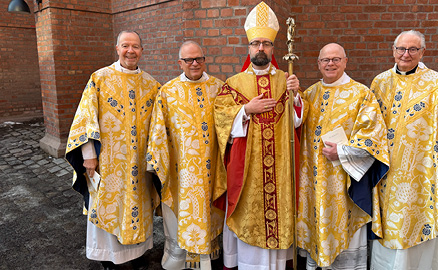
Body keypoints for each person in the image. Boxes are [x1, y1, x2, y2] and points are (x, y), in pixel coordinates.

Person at [213, 2, 304, 269]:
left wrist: (296, 97)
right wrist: (245, 110)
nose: (261, 48)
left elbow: (298, 122)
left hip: (280, 167)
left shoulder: (286, 80)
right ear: (249, 48)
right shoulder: (233, 83)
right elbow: (220, 120)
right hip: (248, 168)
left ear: (273, 49)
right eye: (256, 43)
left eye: (266, 43)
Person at [370, 30, 438, 270]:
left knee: (419, 218)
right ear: (393, 50)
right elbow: (368, 124)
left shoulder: (437, 82)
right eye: (401, 49)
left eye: (413, 49)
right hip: (387, 170)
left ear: (423, 52)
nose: (406, 54)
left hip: (422, 171)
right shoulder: (379, 82)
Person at [65, 30, 161, 270]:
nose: (131, 51)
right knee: (109, 204)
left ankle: (138, 253)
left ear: (142, 50)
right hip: (109, 161)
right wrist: (89, 156)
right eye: (125, 46)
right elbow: (87, 119)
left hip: (140, 163)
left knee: (138, 205)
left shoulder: (152, 84)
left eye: (136, 46)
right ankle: (109, 257)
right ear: (116, 48)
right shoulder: (99, 79)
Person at [296, 43, 389, 270]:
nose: (331, 64)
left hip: (343, 181)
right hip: (314, 184)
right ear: (318, 64)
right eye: (326, 60)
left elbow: (374, 137)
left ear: (346, 61)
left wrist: (342, 152)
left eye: (336, 59)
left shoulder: (361, 94)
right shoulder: (310, 94)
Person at [146, 40, 225, 270]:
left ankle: (208, 257)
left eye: (199, 58)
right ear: (180, 63)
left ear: (204, 59)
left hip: (213, 170)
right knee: (180, 215)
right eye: (189, 60)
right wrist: (156, 165)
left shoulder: (219, 88)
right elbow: (158, 131)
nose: (194, 63)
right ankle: (179, 259)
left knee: (211, 212)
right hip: (181, 172)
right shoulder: (167, 92)